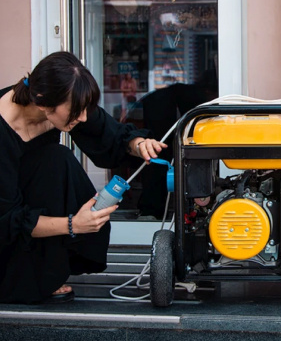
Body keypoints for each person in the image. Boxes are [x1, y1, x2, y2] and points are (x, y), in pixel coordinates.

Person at [0, 51, 167, 304]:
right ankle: (20, 278)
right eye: (77, 110)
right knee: (57, 159)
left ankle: (44, 271)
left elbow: (107, 132)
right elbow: (6, 220)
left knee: (57, 158)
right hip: (4, 232)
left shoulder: (59, 106)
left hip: (24, 207)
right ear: (43, 101)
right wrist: (73, 224)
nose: (83, 117)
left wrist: (138, 143)